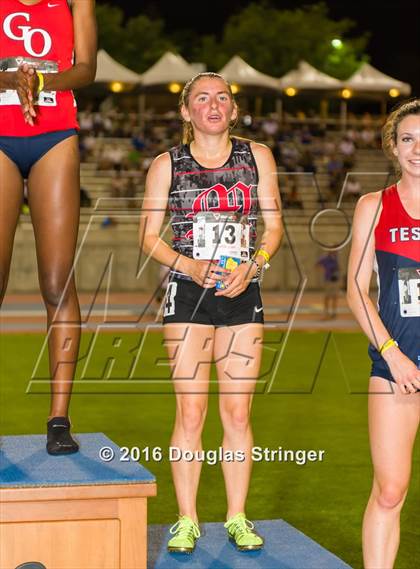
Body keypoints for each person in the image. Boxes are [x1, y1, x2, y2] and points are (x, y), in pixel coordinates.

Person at [140, 72, 283, 554]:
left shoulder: (257, 157)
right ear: (186, 112)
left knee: (238, 411)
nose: (213, 103)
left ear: (234, 109)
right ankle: (186, 519)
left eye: (222, 96)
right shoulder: (167, 164)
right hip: (188, 293)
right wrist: (189, 265)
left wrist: (254, 265)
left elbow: (275, 227)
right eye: (201, 97)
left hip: (243, 291)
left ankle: (238, 517)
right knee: (192, 409)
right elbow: (148, 238)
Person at [0, 0, 97, 454]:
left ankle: (59, 419)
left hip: (54, 133)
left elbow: (87, 68)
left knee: (57, 280)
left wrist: (40, 81)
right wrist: (10, 80)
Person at [347, 99, 420, 569]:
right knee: (390, 491)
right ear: (393, 147)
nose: (418, 149)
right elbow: (355, 289)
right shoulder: (374, 206)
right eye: (408, 139)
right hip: (398, 364)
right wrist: (391, 353)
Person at [316, 251, 340, 319]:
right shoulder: (325, 258)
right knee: (327, 296)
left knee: (335, 296)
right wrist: (323, 270)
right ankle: (326, 312)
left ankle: (334, 312)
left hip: (335, 280)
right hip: (328, 280)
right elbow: (317, 264)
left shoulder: (336, 258)